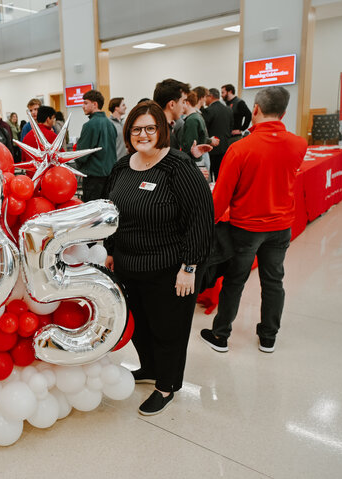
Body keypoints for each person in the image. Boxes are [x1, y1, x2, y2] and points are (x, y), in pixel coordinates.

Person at [103, 100, 213, 415]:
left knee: (169, 330)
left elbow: (201, 220)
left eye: (150, 127)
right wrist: (112, 251)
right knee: (140, 326)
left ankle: (166, 386)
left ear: (161, 130)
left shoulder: (178, 167)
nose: (143, 134)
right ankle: (150, 368)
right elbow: (113, 213)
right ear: (128, 133)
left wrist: (190, 267)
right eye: (137, 129)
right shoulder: (122, 167)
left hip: (169, 269)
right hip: (128, 266)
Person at [201, 86, 307, 354]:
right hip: (281, 226)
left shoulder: (240, 149)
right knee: (274, 282)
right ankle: (268, 337)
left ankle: (220, 334)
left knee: (235, 281)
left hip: (245, 228)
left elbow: (221, 197)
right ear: (284, 113)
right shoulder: (299, 144)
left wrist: (205, 224)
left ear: (256, 109)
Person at [153, 78, 212, 162]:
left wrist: (191, 154)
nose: (184, 106)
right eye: (183, 101)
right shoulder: (163, 134)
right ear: (172, 104)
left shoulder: (163, 129)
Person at [74, 89, 117, 202]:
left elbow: (81, 154)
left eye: (85, 103)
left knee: (92, 211)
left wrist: (78, 166)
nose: (83, 106)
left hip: (93, 177)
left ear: (95, 104)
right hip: (110, 175)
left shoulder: (89, 125)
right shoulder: (111, 124)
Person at [202, 88, 233, 181]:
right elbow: (231, 127)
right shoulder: (228, 110)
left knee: (210, 178)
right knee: (221, 176)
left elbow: (204, 130)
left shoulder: (208, 111)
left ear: (210, 96)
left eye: (206, 97)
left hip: (211, 148)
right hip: (225, 147)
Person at [179, 92, 213, 176]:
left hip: (193, 161)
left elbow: (189, 145)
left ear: (187, 103)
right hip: (198, 160)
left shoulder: (192, 120)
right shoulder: (197, 116)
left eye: (183, 102)